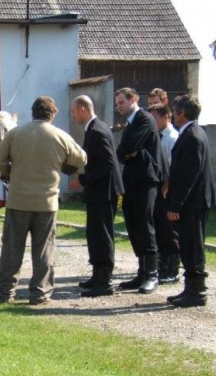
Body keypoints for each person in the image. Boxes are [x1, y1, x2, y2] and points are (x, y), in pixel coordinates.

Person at [0, 96, 86, 304]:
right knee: (44, 249)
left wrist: (9, 172)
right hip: (46, 202)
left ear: (33, 112)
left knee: (11, 248)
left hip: (18, 200)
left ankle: (5, 292)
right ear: (52, 114)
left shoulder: (15, 133)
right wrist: (62, 162)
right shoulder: (60, 136)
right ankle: (39, 293)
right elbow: (82, 158)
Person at [69, 95, 124, 297]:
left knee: (102, 235)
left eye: (74, 112)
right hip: (97, 192)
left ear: (83, 109)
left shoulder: (97, 131)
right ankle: (97, 275)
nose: (73, 116)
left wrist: (82, 180)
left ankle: (104, 280)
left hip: (104, 192)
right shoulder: (95, 128)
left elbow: (107, 164)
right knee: (94, 233)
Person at [114, 87, 168, 294]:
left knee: (145, 224)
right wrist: (128, 151)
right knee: (133, 224)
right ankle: (141, 271)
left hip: (146, 179)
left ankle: (152, 274)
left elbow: (130, 146)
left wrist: (129, 151)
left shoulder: (144, 119)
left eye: (121, 102)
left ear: (133, 99)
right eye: (117, 104)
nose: (119, 106)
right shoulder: (130, 124)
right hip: (132, 181)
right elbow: (121, 151)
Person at [166, 95, 215, 307]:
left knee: (193, 245)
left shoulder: (193, 136)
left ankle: (198, 290)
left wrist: (176, 204)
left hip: (193, 203)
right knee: (187, 244)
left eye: (175, 112)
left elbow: (189, 175)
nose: (172, 116)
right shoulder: (191, 133)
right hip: (192, 201)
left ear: (182, 113)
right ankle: (190, 288)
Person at [148, 103, 180, 284]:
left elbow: (173, 167)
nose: (153, 123)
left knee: (170, 230)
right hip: (158, 188)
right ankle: (163, 265)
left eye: (155, 118)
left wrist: (166, 186)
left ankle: (173, 269)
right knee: (160, 229)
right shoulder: (158, 137)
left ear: (166, 117)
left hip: (168, 189)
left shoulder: (172, 138)